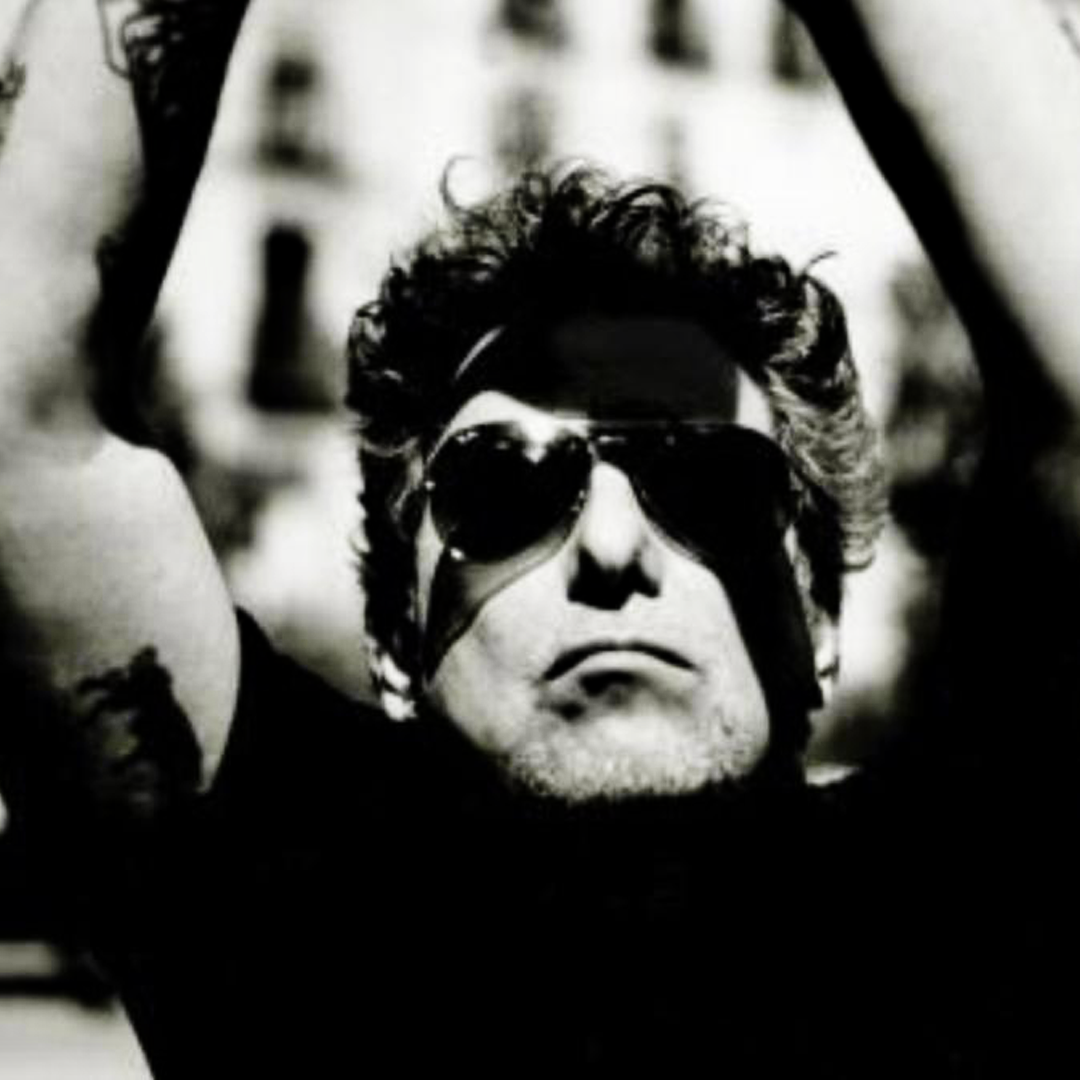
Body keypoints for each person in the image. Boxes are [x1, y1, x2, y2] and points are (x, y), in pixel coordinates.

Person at [1, 0, 1079, 1074]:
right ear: (393, 636)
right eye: (504, 488)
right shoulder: (284, 905)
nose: (611, 546)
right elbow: (17, 419)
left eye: (705, 483)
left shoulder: (960, 901)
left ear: (823, 621)